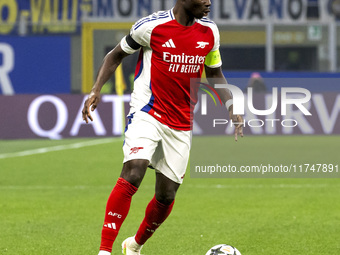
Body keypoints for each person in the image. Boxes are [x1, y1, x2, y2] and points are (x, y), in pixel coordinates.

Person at [82, 1, 243, 254]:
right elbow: (115, 55)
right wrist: (96, 89)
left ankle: (134, 245)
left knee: (166, 195)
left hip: (181, 122)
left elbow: (214, 72)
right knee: (134, 171)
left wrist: (231, 104)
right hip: (148, 111)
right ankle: (104, 250)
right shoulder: (151, 27)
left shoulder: (210, 32)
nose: (209, 2)